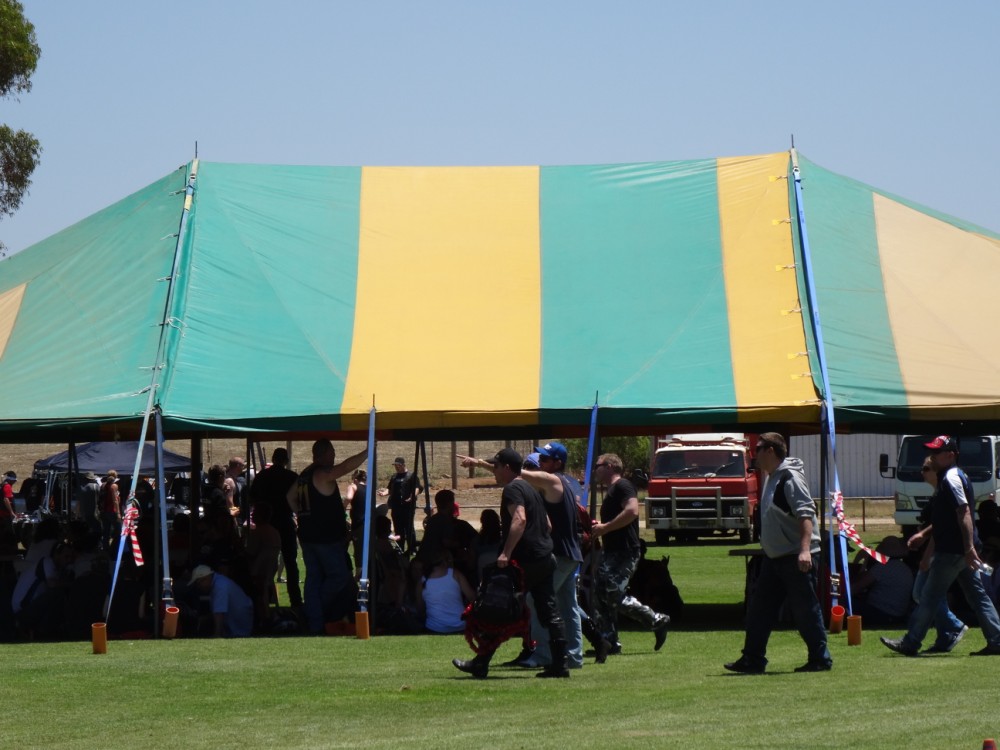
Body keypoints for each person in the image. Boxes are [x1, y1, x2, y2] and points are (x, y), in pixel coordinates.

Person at [452, 447, 569, 679]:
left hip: (524, 561)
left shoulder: (513, 489)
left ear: (506, 468)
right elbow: (547, 525)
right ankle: (560, 664)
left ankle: (481, 662)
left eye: (496, 466)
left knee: (500, 606)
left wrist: (506, 553)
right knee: (549, 611)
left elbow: (520, 519)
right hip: (545, 558)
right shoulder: (531, 489)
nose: (494, 471)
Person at [881, 435, 1000, 656]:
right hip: (961, 549)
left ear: (951, 455)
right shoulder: (953, 476)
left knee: (929, 596)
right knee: (977, 596)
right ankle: (996, 640)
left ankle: (911, 642)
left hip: (953, 550)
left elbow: (963, 512)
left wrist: (968, 548)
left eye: (937, 453)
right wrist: (926, 535)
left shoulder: (951, 478)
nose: (933, 456)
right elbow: (948, 518)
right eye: (932, 452)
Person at [724, 432, 831, 674]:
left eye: (758, 448)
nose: (754, 453)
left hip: (796, 557)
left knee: (805, 610)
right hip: (775, 558)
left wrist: (805, 550)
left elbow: (806, 514)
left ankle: (820, 658)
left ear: (771, 451)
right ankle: (752, 659)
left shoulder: (790, 478)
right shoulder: (772, 477)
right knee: (759, 609)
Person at [473, 441, 585, 669]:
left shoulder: (552, 480)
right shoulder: (552, 485)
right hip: (565, 553)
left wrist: (482, 464)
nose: (539, 463)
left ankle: (543, 654)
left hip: (558, 553)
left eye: (544, 459)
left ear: (558, 463)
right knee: (565, 606)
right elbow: (548, 523)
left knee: (533, 602)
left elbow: (519, 479)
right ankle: (572, 657)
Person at [591, 453, 670, 661]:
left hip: (625, 551)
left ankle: (656, 620)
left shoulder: (623, 486)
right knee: (600, 593)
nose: (595, 470)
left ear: (609, 466)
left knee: (612, 592)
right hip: (611, 550)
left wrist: (606, 527)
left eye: (598, 465)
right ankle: (609, 641)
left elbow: (632, 511)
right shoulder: (611, 490)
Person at [287, 439, 367, 635]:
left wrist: (303, 515)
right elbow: (345, 467)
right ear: (323, 454)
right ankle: (313, 609)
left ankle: (315, 622)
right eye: (332, 452)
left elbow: (290, 497)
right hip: (325, 538)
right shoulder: (321, 474)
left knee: (313, 579)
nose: (334, 455)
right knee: (339, 577)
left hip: (307, 536)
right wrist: (367, 452)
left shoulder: (304, 475)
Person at [909, 455, 969, 653]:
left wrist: (926, 554)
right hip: (943, 550)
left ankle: (952, 625)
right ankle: (946, 635)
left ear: (936, 471)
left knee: (923, 593)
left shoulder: (945, 491)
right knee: (933, 594)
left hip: (943, 550)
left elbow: (942, 527)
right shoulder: (938, 494)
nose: (922, 473)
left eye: (926, 469)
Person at [248, 448, 301, 607]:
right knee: (290, 563)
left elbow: (252, 498)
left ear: (273, 458)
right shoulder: (292, 477)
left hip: (267, 522)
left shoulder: (262, 476)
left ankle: (260, 597)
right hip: (284, 521)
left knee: (262, 562)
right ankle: (295, 599)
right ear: (286, 461)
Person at [852, 535, 914, 626]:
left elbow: (856, 587)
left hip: (882, 613)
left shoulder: (882, 567)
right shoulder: (905, 568)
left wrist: (863, 563)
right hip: (897, 615)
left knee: (849, 603)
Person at [417, 550, 476, 634]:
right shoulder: (455, 574)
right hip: (460, 625)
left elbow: (420, 608)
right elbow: (472, 597)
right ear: (445, 560)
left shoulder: (421, 581)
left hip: (435, 628)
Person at [189, 564, 255, 637]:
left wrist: (217, 635)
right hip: (236, 624)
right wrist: (205, 619)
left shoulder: (220, 586)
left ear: (205, 579)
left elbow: (219, 613)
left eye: (198, 584)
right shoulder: (218, 582)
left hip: (239, 628)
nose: (198, 587)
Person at [378, 457, 421, 555]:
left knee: (409, 527)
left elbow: (417, 488)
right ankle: (400, 548)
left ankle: (412, 549)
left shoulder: (411, 476)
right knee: (398, 528)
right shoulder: (394, 477)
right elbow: (389, 489)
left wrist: (412, 496)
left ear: (403, 465)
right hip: (396, 507)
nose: (397, 467)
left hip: (408, 506)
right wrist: (384, 493)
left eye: (398, 465)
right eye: (395, 466)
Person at [345, 469, 369, 577]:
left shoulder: (353, 486)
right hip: (369, 522)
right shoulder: (369, 488)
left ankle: (359, 574)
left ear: (355, 479)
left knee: (359, 550)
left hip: (359, 523)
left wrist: (342, 507)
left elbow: (349, 497)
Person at [100, 470, 121, 551]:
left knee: (106, 532)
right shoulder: (114, 486)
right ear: (115, 477)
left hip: (103, 512)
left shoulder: (103, 485)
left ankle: (105, 549)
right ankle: (116, 549)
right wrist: (118, 513)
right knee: (119, 531)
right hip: (112, 511)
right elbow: (115, 500)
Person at [78, 471, 101, 536]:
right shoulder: (95, 486)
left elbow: (79, 501)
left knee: (86, 529)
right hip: (94, 511)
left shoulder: (81, 487)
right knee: (96, 528)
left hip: (84, 511)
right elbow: (100, 497)